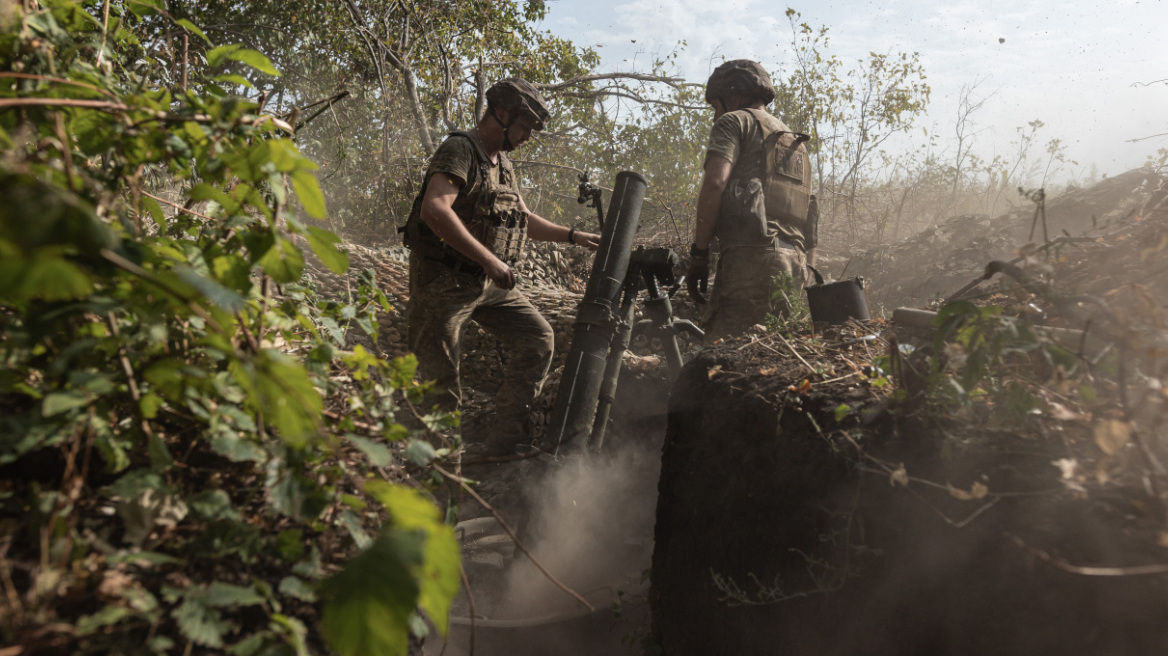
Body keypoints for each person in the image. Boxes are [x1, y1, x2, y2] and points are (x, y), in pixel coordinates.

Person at [401, 77, 600, 456]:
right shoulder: (461, 149)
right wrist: (490, 260)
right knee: (440, 390)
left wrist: (574, 236)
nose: (526, 136)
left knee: (538, 339)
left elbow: (524, 218)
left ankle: (503, 444)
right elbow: (434, 209)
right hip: (441, 285)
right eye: (524, 126)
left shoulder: (503, 165)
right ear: (502, 114)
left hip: (484, 285)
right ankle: (438, 490)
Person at [686, 59, 817, 343]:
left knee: (722, 357)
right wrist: (805, 271)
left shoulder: (734, 121)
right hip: (794, 263)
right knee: (774, 354)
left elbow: (715, 183)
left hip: (750, 260)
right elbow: (811, 218)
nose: (714, 116)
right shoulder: (797, 143)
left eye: (715, 107)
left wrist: (699, 254)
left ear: (732, 96)